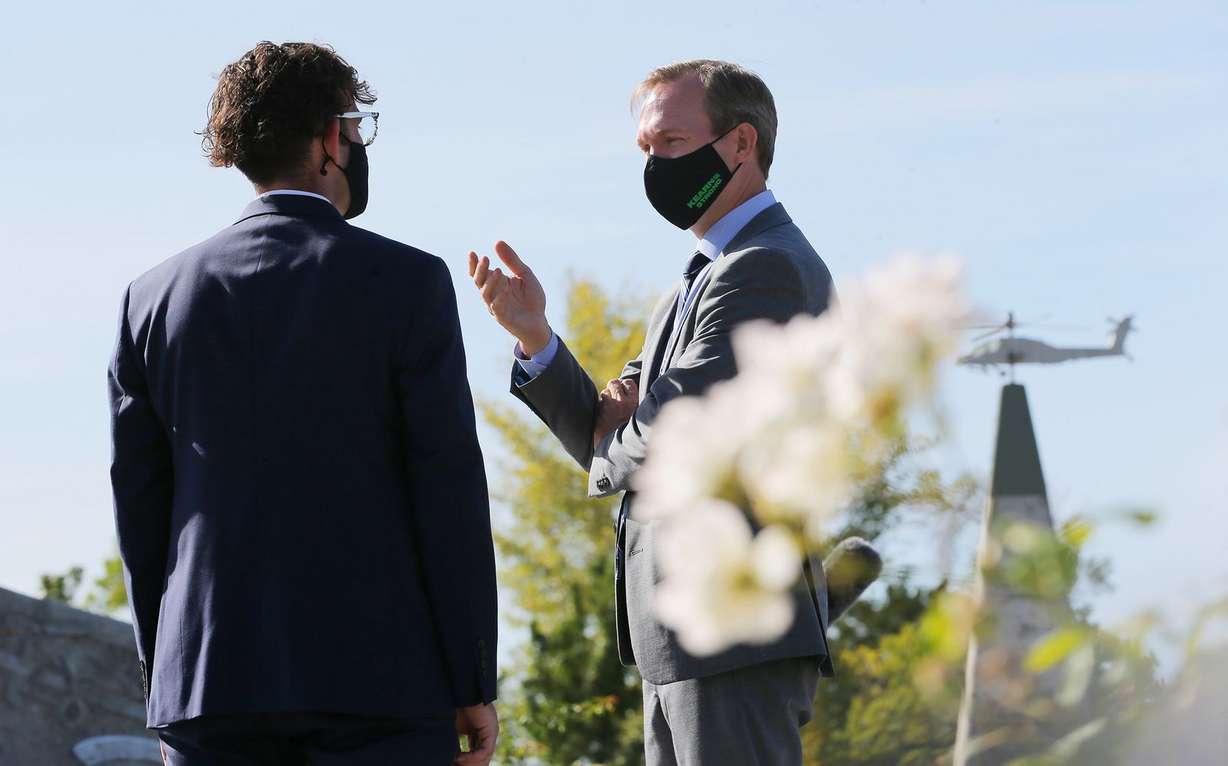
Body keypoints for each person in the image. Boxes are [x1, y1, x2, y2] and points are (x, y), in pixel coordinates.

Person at [107, 41, 498, 765]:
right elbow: (445, 487)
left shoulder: (150, 300)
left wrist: (169, 679)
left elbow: (141, 505)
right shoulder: (407, 282)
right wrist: (472, 674)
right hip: (381, 686)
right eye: (357, 127)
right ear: (329, 139)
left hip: (208, 687)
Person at [467, 59, 835, 765]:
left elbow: (669, 433)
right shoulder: (691, 287)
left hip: (733, 631)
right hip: (680, 636)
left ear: (741, 144)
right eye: (645, 148)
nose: (654, 163)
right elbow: (615, 438)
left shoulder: (766, 269)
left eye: (670, 142)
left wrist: (628, 433)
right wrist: (536, 338)